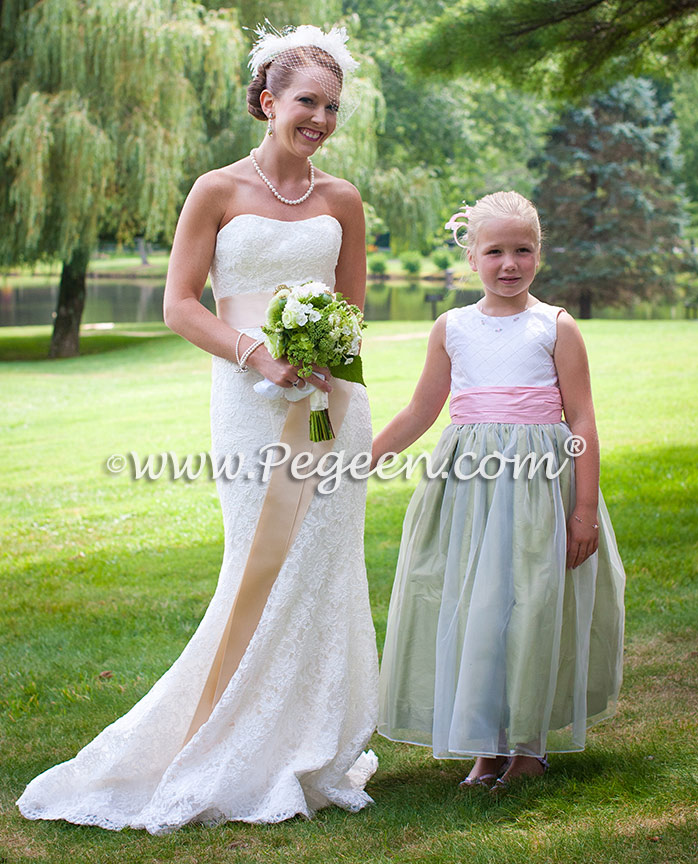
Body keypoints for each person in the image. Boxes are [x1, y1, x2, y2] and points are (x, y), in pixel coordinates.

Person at [17, 24, 378, 833]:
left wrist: (323, 354)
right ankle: (221, 739)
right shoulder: (216, 190)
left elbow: (354, 309)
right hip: (249, 403)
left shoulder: (344, 199)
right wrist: (260, 354)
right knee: (258, 569)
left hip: (332, 403)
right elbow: (182, 305)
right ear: (266, 100)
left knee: (320, 569)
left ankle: (309, 745)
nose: (319, 117)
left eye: (331, 105)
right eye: (304, 102)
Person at [372, 191, 625, 791]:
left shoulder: (556, 326)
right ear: (472, 256)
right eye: (495, 251)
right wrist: (362, 459)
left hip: (542, 489)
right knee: (474, 607)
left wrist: (583, 510)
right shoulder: (452, 328)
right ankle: (483, 745)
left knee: (533, 605)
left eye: (523, 250)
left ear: (539, 254)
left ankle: (529, 745)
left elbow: (582, 420)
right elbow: (420, 411)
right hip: (469, 491)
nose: (509, 263)